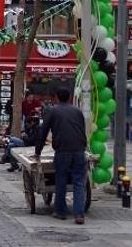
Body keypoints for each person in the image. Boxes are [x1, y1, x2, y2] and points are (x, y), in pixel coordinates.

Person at [34, 88, 87, 225]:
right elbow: (82, 129)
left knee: (61, 180)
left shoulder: (52, 111)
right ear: (69, 97)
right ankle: (79, 214)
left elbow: (43, 131)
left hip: (62, 150)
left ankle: (61, 212)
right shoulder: (77, 111)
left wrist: (38, 152)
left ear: (56, 97)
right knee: (79, 182)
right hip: (79, 150)